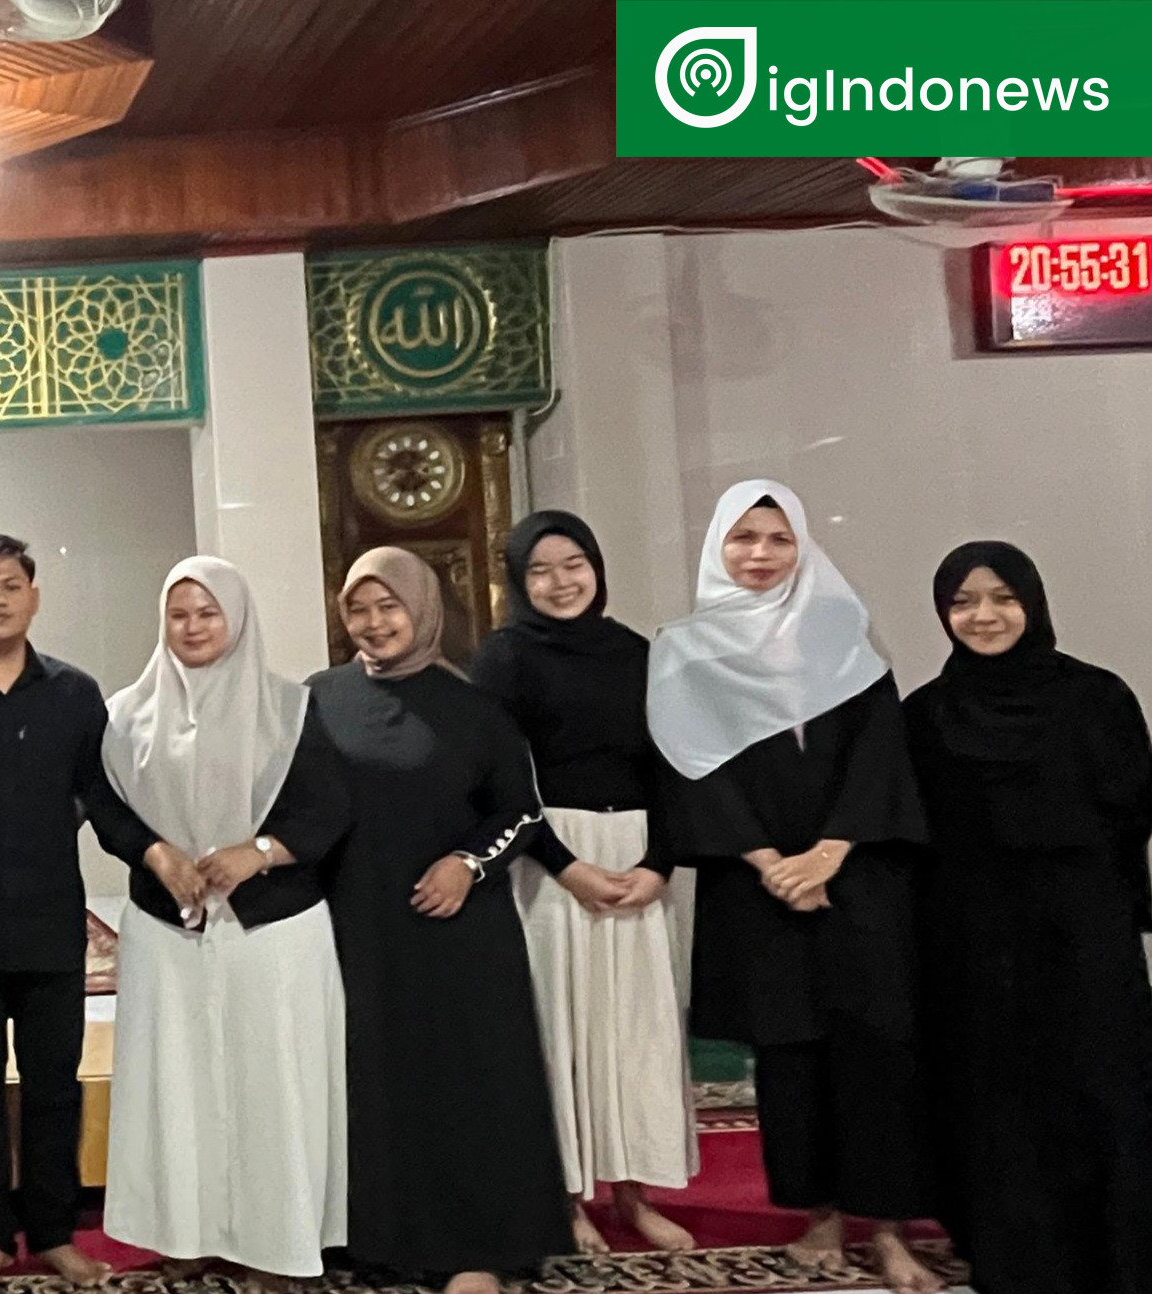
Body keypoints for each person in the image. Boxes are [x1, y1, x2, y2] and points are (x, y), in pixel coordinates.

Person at [647, 481, 941, 1294]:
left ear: (801, 546)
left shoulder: (842, 631)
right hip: (760, 890)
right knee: (790, 1062)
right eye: (742, 538)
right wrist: (769, 862)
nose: (759, 554)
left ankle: (886, 1229)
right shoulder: (686, 650)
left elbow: (879, 752)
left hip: (857, 879)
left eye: (777, 539)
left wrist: (828, 852)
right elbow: (688, 769)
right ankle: (817, 1216)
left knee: (877, 1055)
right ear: (717, 547)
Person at [312, 547, 569, 1294]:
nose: (373, 623)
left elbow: (520, 810)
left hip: (457, 932)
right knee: (375, 1081)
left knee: (466, 1085)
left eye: (388, 606)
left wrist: (468, 863)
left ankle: (476, 1248)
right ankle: (379, 1240)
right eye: (358, 609)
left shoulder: (474, 706)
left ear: (421, 608)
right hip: (358, 927)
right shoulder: (317, 698)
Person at [0, 535, 152, 1290]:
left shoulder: (74, 694)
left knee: (54, 1088)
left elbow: (95, 796)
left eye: (10, 585)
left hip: (48, 924)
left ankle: (53, 1233)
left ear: (33, 596)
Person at [903, 541, 1152, 1294]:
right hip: (971, 937)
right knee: (993, 1093)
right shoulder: (925, 715)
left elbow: (1131, 815)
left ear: (1032, 603)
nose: (983, 616)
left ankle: (1120, 1250)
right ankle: (1010, 1251)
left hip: (1081, 931)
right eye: (962, 602)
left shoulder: (1097, 698)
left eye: (1002, 598)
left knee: (1098, 1084)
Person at [99, 555, 351, 1289]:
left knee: (270, 1088)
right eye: (178, 614)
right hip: (167, 928)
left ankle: (277, 1243)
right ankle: (185, 1233)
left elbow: (328, 809)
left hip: (273, 930)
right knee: (178, 1089)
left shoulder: (290, 708)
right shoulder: (126, 713)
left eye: (207, 612)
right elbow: (105, 806)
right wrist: (158, 855)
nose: (192, 627)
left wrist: (258, 853)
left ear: (236, 617)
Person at [468, 513, 697, 1255]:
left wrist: (658, 864)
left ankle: (633, 1192)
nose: (560, 582)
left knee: (635, 1029)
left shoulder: (638, 653)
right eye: (539, 570)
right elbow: (500, 779)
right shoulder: (503, 657)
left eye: (573, 564)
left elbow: (673, 766)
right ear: (517, 580)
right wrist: (567, 866)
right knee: (559, 1029)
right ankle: (565, 1198)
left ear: (596, 567)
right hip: (549, 862)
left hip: (634, 857)